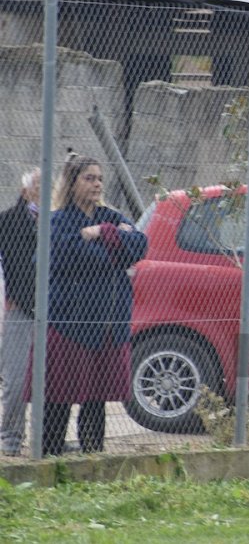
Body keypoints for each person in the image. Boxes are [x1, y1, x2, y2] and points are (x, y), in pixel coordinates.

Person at [44, 155, 147, 455]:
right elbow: (67, 256)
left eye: (99, 178)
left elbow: (140, 244)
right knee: (59, 396)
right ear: (71, 182)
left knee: (95, 398)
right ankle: (50, 456)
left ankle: (94, 457)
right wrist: (116, 251)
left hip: (107, 325)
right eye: (89, 178)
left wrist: (103, 233)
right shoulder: (57, 220)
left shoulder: (110, 217)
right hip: (68, 323)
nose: (97, 184)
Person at [0, 168, 40, 456]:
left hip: (53, 310)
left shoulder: (57, 221)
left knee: (51, 377)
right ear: (25, 191)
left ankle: (45, 438)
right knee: (15, 379)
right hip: (19, 308)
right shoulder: (7, 222)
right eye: (39, 185)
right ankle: (11, 437)